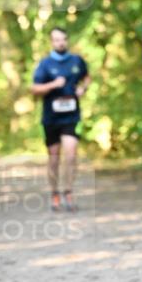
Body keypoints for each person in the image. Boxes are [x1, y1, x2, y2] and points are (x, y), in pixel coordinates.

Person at [31, 27, 90, 212]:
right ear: (51, 42)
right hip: (51, 118)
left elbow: (87, 77)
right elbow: (34, 89)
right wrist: (53, 85)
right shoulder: (45, 64)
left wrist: (83, 89)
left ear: (67, 40)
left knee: (71, 154)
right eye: (56, 40)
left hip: (71, 116)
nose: (61, 42)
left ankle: (69, 192)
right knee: (54, 159)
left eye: (63, 39)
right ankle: (54, 193)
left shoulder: (76, 60)